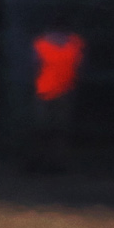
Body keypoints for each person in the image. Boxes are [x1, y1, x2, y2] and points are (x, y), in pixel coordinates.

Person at [29, 26, 83, 172]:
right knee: (54, 131)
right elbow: (78, 66)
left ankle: (47, 163)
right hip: (58, 91)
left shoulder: (41, 43)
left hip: (49, 91)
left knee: (47, 130)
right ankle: (52, 163)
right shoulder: (74, 43)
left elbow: (35, 66)